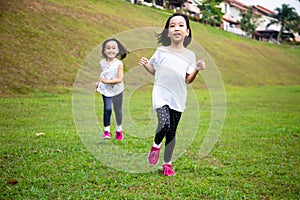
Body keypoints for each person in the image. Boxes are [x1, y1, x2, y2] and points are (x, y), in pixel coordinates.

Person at [139, 13, 206, 176]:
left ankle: (167, 164)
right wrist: (146, 65)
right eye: (172, 25)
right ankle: (155, 146)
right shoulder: (161, 51)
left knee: (171, 133)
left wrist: (196, 69)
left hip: (178, 97)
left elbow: (188, 80)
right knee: (165, 123)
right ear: (168, 32)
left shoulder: (189, 56)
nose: (176, 28)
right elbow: (155, 71)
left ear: (187, 31)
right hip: (161, 94)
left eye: (181, 25)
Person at [96, 38, 128, 140]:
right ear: (104, 51)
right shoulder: (102, 63)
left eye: (113, 48)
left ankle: (119, 129)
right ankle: (107, 131)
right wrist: (99, 82)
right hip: (106, 89)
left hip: (117, 90)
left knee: (117, 110)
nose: (111, 50)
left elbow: (119, 79)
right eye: (108, 48)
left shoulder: (119, 63)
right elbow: (103, 74)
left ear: (117, 50)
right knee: (107, 109)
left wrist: (106, 81)